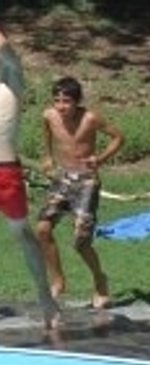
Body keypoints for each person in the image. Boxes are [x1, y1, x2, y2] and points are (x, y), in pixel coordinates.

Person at [36, 76, 124, 316]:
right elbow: (46, 133)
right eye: (57, 101)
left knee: (81, 241)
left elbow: (119, 137)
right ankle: (58, 280)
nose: (61, 106)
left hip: (86, 181)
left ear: (77, 102)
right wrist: (47, 156)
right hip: (62, 179)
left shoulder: (91, 118)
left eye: (66, 101)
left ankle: (100, 280)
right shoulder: (49, 116)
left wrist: (100, 159)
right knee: (42, 229)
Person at [0, 24, 62, 330]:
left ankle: (45, 298)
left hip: (6, 171)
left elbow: (9, 54)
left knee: (21, 235)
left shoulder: (12, 83)